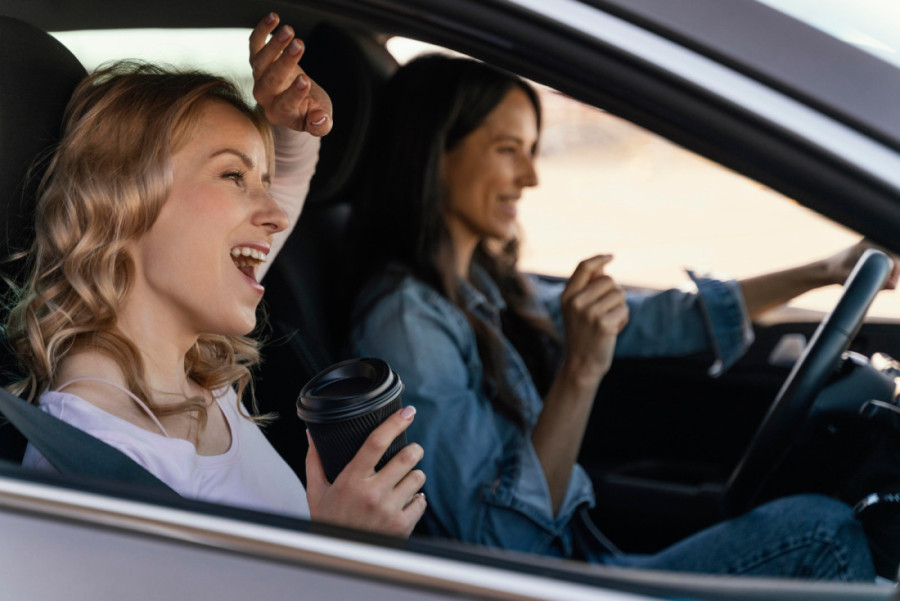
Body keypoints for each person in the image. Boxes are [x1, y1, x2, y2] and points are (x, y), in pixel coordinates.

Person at [347, 53, 890, 578]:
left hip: (581, 557)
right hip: (542, 582)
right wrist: (581, 370)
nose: (531, 177)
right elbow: (501, 544)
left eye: (532, 150)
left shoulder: (480, 285)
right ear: (434, 152)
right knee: (822, 534)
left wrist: (826, 269)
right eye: (508, 149)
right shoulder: (406, 322)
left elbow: (661, 320)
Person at [8, 14, 426, 538]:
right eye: (233, 176)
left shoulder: (189, 368)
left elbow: (291, 179)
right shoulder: (93, 466)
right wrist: (350, 551)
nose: (274, 215)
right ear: (127, 200)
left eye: (261, 182)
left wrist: (286, 117)